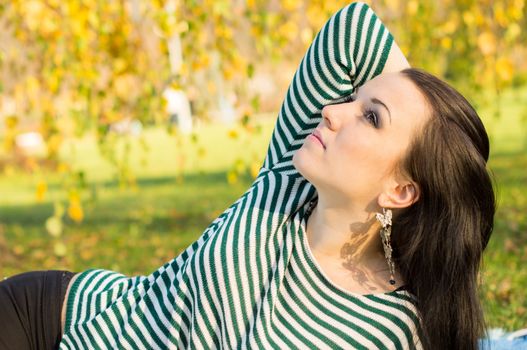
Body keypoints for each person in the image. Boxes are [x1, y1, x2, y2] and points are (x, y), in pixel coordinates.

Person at [0, 2, 495, 349]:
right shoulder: (289, 182)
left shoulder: (389, 326)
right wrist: (423, 117)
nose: (331, 110)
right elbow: (351, 29)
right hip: (56, 316)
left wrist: (428, 147)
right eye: (352, 99)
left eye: (370, 116)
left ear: (402, 189)